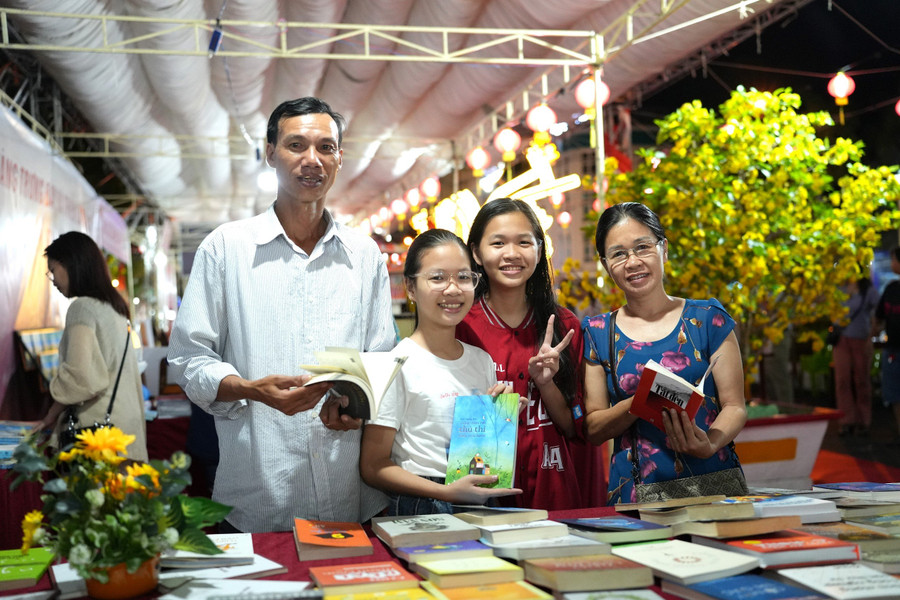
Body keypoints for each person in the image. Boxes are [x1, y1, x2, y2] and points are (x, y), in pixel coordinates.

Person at [167, 97, 396, 532]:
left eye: (326, 148)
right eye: (296, 145)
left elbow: (380, 354)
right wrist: (251, 389)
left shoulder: (364, 255)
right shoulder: (226, 249)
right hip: (258, 494)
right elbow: (187, 357)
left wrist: (353, 404)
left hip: (347, 492)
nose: (313, 160)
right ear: (270, 152)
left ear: (340, 158)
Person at [581, 202, 747, 505]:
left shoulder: (709, 318)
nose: (632, 262)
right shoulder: (597, 331)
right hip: (636, 492)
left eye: (642, 247)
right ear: (606, 265)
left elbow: (735, 406)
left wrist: (710, 443)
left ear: (663, 249)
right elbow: (593, 428)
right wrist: (641, 400)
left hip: (714, 482)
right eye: (618, 254)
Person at [360, 229, 522, 515]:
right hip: (422, 503)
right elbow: (373, 466)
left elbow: (478, 453)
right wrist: (445, 492)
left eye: (463, 277)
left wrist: (501, 418)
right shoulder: (395, 364)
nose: (453, 289)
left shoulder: (481, 360)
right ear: (410, 287)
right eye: (437, 278)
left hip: (479, 500)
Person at [456, 197, 605, 509]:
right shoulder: (459, 327)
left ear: (540, 249)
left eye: (524, 242)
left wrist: (547, 384)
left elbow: (578, 428)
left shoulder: (565, 326)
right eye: (498, 243)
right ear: (476, 253)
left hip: (557, 494)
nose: (512, 254)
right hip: (485, 496)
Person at [37, 231, 147, 461]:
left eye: (53, 270)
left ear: (71, 265)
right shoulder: (113, 307)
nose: (53, 279)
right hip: (124, 430)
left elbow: (79, 377)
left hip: (96, 437)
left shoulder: (82, 309)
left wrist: (50, 415)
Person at [833, 275, 879, 437]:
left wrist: (870, 338)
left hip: (861, 339)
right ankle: (846, 420)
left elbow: (876, 317)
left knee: (862, 379)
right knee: (842, 380)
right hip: (841, 339)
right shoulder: (839, 289)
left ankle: (864, 420)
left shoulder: (868, 291)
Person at [873, 247, 900, 442]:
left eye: (893, 260)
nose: (891, 264)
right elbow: (879, 317)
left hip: (893, 348)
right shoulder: (891, 289)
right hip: (893, 349)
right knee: (894, 394)